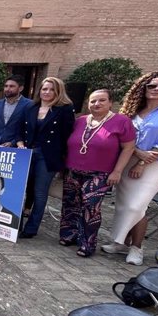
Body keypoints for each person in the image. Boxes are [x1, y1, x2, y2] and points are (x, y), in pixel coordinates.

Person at [102, 71, 158, 265]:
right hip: (128, 161)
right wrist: (136, 155)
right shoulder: (132, 110)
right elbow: (122, 138)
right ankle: (121, 242)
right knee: (123, 205)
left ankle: (137, 248)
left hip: (155, 164)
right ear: (144, 88)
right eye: (152, 86)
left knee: (137, 207)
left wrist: (142, 162)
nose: (156, 89)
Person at [60, 89, 135, 257]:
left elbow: (128, 148)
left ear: (110, 102)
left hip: (99, 173)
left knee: (91, 206)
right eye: (93, 101)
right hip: (73, 170)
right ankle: (69, 234)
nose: (97, 104)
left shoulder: (121, 122)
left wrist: (117, 171)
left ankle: (88, 242)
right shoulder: (80, 121)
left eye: (101, 100)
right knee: (70, 204)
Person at [17, 77, 75, 238]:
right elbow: (20, 130)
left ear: (58, 91)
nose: (47, 92)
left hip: (47, 156)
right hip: (27, 153)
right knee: (20, 190)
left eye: (51, 89)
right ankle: (15, 224)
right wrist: (20, 143)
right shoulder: (30, 107)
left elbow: (67, 136)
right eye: (44, 89)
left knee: (39, 193)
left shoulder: (64, 109)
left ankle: (31, 228)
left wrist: (63, 163)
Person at [0, 75, 32, 147]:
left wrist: (13, 142)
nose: (7, 89)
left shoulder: (29, 105)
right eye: (6, 86)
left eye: (11, 86)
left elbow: (28, 128)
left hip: (15, 149)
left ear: (20, 88)